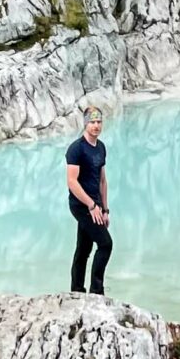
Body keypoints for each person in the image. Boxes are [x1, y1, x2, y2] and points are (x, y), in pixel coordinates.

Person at [65, 103, 112, 294]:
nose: (96, 126)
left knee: (84, 249)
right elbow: (72, 181)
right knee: (105, 244)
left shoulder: (100, 148)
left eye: (99, 121)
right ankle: (96, 291)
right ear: (85, 124)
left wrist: (105, 208)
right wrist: (91, 205)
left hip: (95, 205)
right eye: (92, 122)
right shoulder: (76, 149)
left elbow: (102, 180)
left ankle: (77, 290)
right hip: (81, 205)